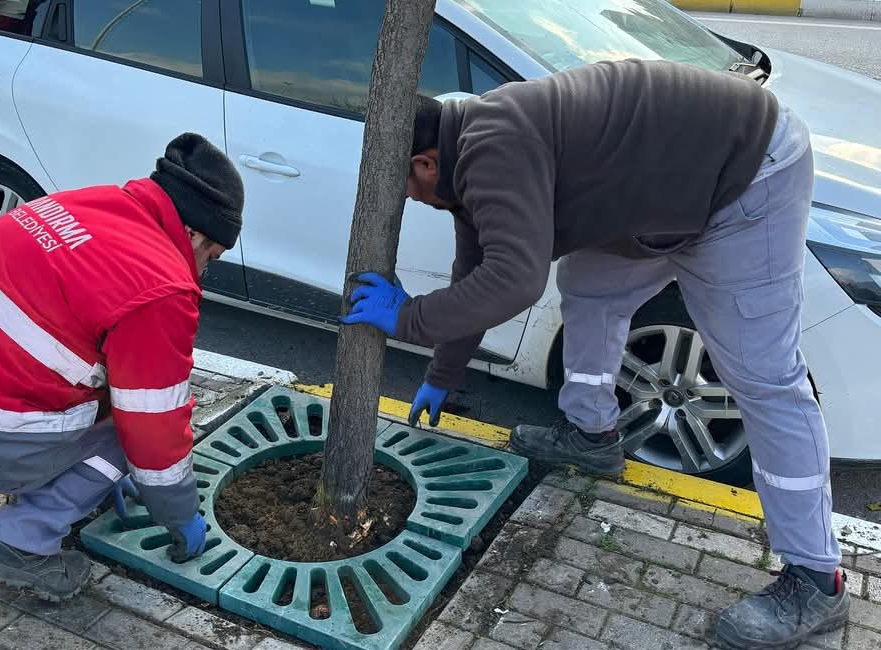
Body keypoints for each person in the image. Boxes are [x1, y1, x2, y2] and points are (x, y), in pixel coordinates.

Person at [342, 60, 847, 649]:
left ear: (423, 163)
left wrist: (408, 318)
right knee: (589, 284)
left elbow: (515, 279)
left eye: (407, 189)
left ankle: (818, 579)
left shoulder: (491, 150)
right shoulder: (468, 149)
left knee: (764, 379)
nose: (415, 200)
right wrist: (442, 372)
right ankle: (593, 435)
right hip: (672, 195)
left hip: (745, 178)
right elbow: (478, 268)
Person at [0, 133, 244, 602]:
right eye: (212, 255)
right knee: (131, 436)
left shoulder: (89, 203)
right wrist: (178, 511)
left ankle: (48, 474)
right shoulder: (163, 285)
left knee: (103, 391)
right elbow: (154, 430)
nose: (205, 270)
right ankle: (22, 544)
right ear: (193, 232)